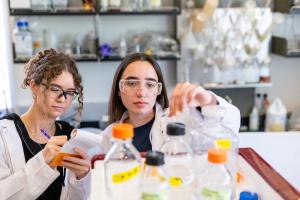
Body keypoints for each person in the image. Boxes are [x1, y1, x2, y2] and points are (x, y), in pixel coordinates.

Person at [100, 53, 240, 152]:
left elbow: (227, 131)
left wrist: (209, 101)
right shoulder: (108, 135)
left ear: (158, 90)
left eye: (150, 85)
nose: (141, 93)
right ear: (119, 89)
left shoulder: (178, 120)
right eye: (131, 83)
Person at [0, 49, 90, 199]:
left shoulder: (70, 137)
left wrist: (82, 178)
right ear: (34, 86)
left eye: (70, 92)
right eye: (55, 89)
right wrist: (43, 160)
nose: (62, 99)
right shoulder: (3, 135)